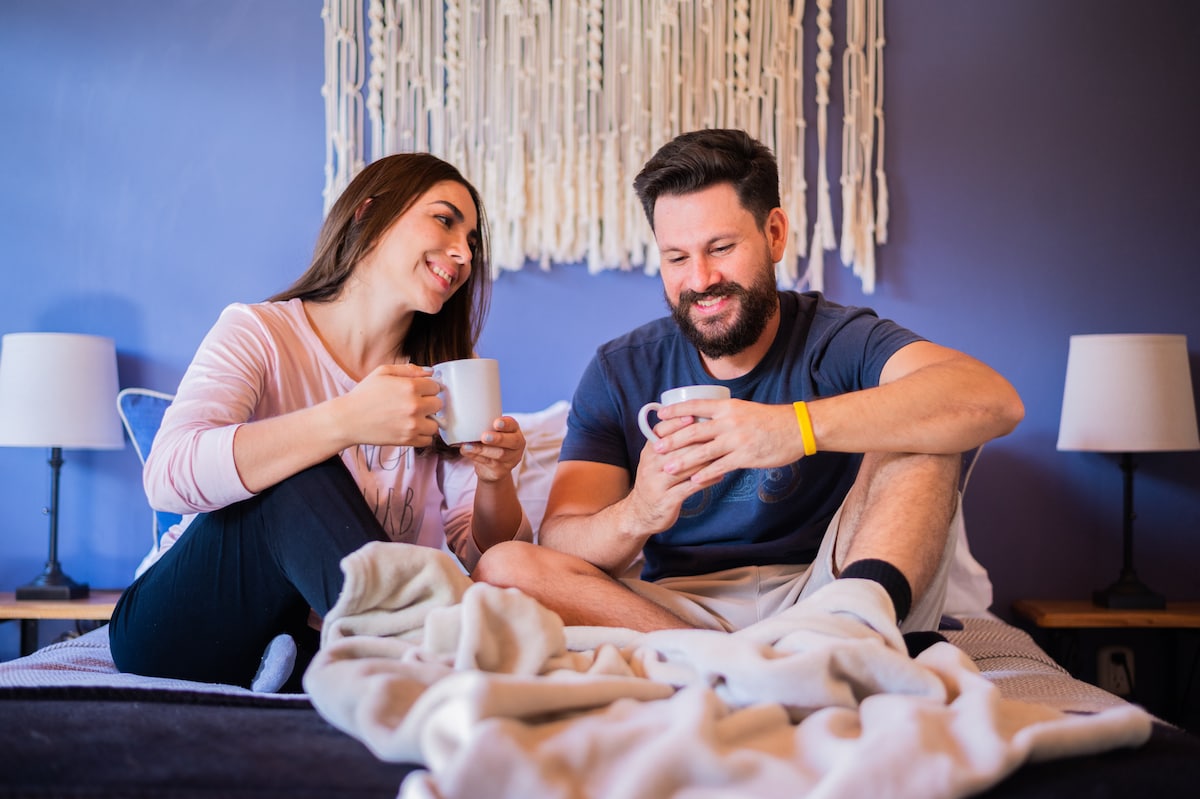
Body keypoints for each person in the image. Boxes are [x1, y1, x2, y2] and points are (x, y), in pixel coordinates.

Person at [474, 129, 1023, 638]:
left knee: (924, 427)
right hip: (673, 613)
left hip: (830, 596)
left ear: (774, 234)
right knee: (503, 566)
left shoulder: (837, 339)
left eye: (720, 248)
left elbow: (991, 400)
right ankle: (732, 665)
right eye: (676, 257)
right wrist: (638, 511)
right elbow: (561, 540)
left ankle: (854, 642)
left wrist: (796, 428)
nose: (700, 280)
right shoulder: (621, 369)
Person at [109, 153, 531, 690]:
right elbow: (166, 477)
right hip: (179, 629)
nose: (463, 253)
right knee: (299, 472)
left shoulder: (443, 381)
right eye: (445, 220)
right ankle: (436, 656)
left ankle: (357, 659)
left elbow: (484, 553)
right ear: (367, 214)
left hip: (311, 641)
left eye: (472, 241)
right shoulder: (257, 333)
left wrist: (496, 480)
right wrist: (344, 421)